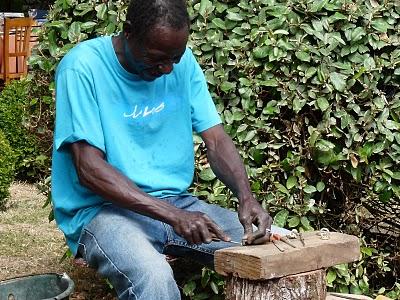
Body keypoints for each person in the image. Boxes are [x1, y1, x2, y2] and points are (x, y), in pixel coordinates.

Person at [52, 0, 289, 299]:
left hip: (176, 203)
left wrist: (246, 197)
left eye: (174, 58)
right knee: (152, 278)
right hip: (103, 211)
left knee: (274, 249)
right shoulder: (82, 67)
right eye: (156, 58)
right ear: (128, 33)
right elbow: (89, 169)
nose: (166, 69)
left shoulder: (183, 62)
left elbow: (215, 139)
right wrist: (173, 216)